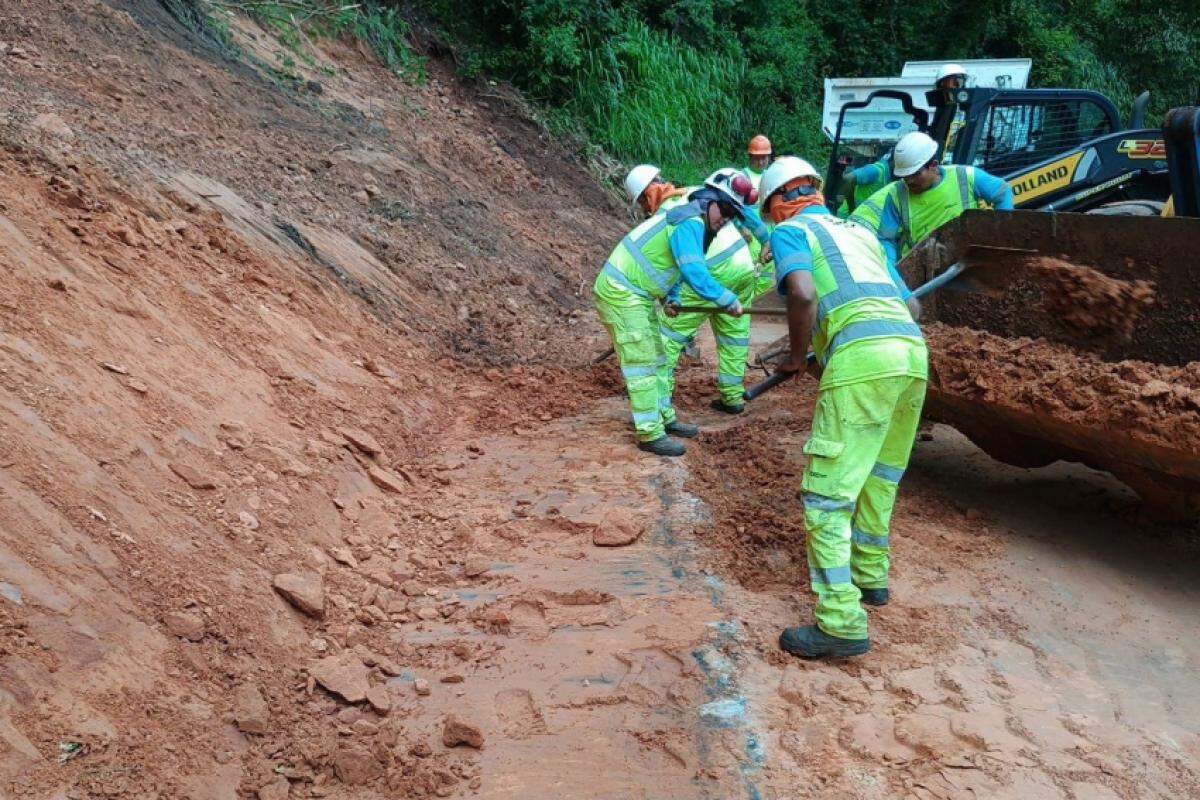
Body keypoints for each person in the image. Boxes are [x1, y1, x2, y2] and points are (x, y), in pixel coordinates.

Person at [759, 156, 928, 659]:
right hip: (912, 351)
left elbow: (803, 293)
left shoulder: (789, 233)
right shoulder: (859, 233)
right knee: (881, 473)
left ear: (777, 205)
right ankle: (871, 577)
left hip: (863, 360)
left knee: (826, 497)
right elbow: (913, 305)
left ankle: (839, 621)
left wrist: (796, 358)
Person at [594, 169, 755, 456]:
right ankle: (649, 433)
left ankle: (664, 418)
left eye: (732, 215)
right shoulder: (690, 222)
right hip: (622, 292)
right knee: (642, 360)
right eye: (725, 211)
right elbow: (694, 270)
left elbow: (676, 269)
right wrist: (725, 298)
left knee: (657, 356)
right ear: (710, 200)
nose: (726, 220)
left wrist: (673, 296)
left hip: (638, 294)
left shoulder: (699, 225)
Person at [657, 168, 774, 417]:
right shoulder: (717, 201)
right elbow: (749, 217)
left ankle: (656, 402)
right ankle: (732, 397)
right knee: (734, 336)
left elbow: (678, 264)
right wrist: (766, 239)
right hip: (742, 271)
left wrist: (669, 295)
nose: (725, 220)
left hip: (709, 275)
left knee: (667, 337)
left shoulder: (675, 209)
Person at [852, 131, 1012, 305]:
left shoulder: (966, 176)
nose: (909, 181)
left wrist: (998, 242)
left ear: (933, 165)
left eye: (915, 174)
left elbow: (1003, 193)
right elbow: (885, 239)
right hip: (921, 272)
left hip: (968, 268)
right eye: (905, 177)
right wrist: (893, 276)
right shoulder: (896, 194)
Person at [836, 150, 893, 217]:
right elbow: (848, 179)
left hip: (861, 218)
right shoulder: (876, 170)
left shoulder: (888, 177)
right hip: (847, 216)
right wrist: (852, 208)